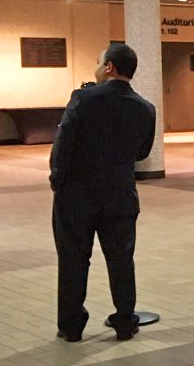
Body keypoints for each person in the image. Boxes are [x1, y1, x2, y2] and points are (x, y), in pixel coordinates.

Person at [49, 43, 155, 342]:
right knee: (121, 260)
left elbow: (63, 144)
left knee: (73, 260)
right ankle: (124, 321)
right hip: (120, 194)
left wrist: (58, 181)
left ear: (109, 67)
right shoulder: (145, 107)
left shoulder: (83, 98)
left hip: (76, 196)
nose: (96, 66)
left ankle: (71, 327)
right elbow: (142, 152)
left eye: (99, 61)